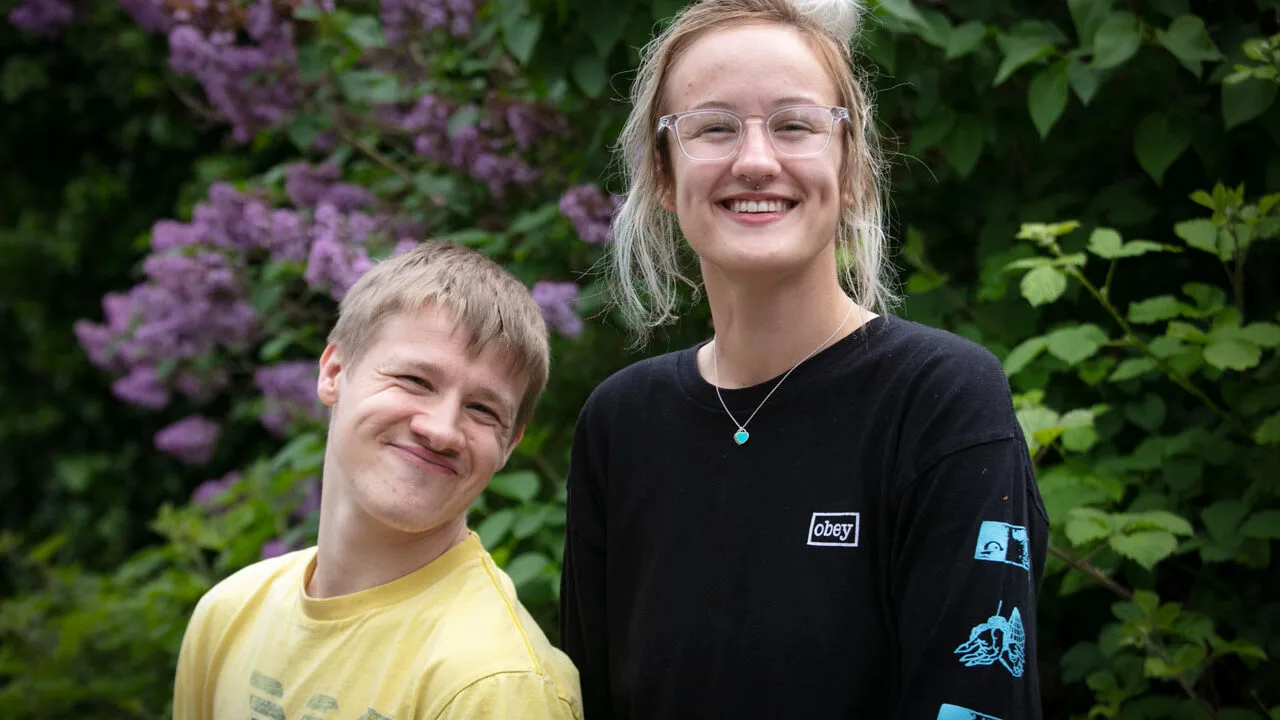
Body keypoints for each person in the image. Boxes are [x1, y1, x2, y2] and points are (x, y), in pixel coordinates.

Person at [558, 0, 1048, 718]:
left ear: (851, 169)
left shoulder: (940, 400)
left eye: (794, 126)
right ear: (662, 174)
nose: (756, 161)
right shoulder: (621, 425)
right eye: (714, 127)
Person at [174, 241, 582, 719]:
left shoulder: (497, 686)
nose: (441, 430)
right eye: (415, 381)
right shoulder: (228, 616)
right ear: (333, 371)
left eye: (482, 409)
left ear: (509, 445)